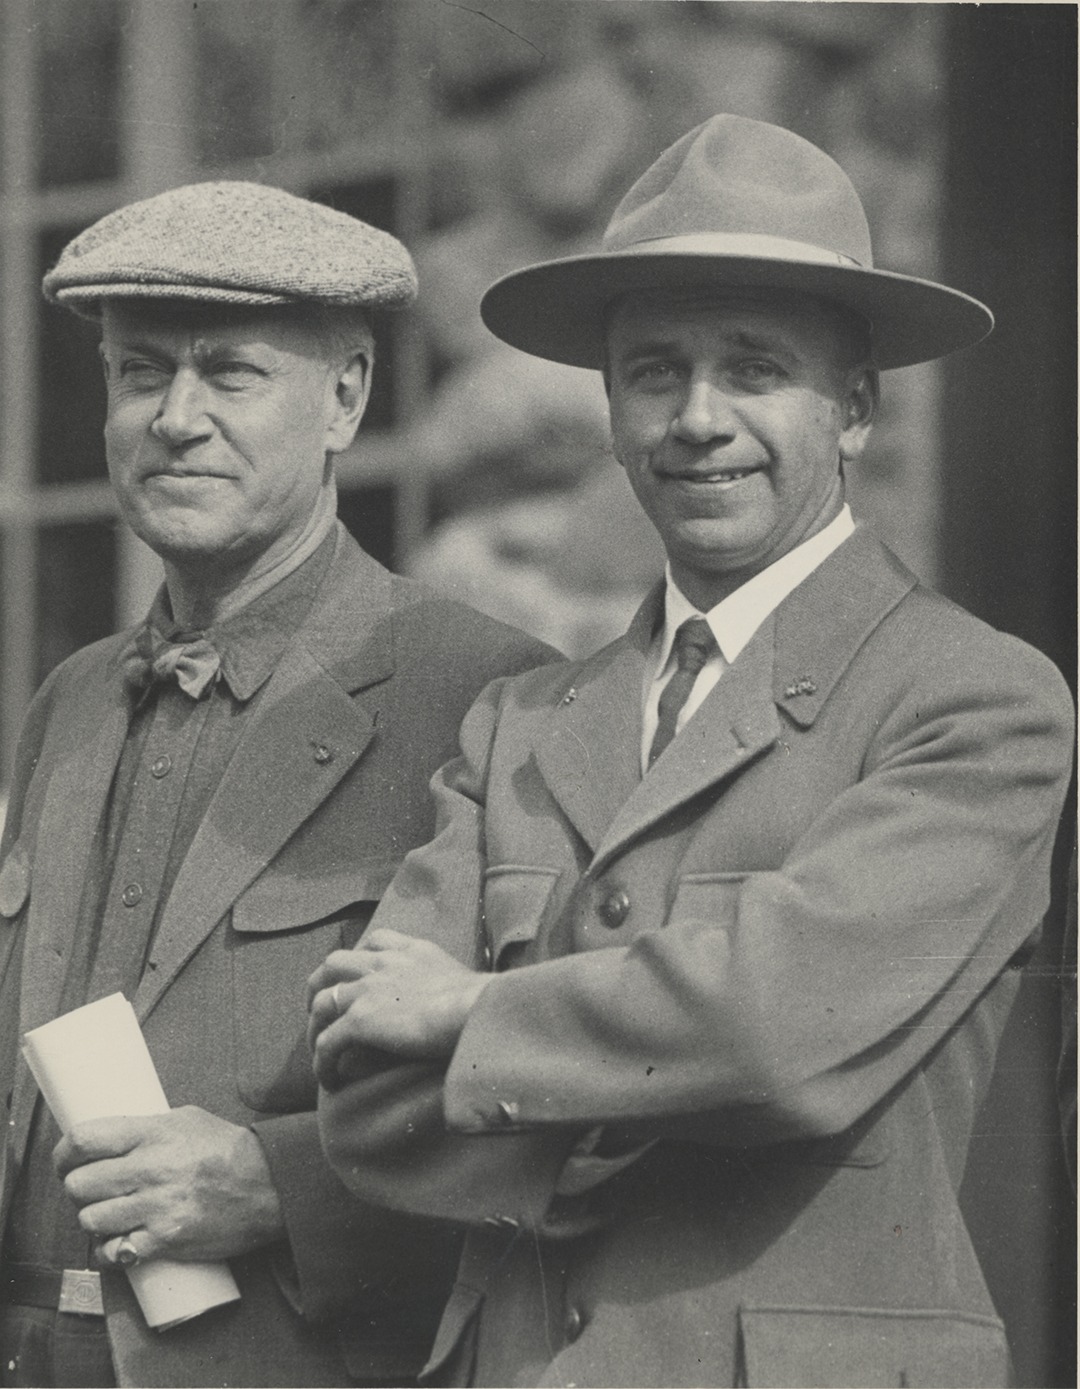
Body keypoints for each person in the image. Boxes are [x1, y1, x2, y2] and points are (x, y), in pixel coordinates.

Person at [308, 115, 1075, 1389]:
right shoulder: (524, 725)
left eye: (755, 369)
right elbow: (369, 1107)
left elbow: (780, 1030)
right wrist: (677, 1065)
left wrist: (477, 1017)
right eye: (655, 373)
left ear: (856, 409)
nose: (698, 420)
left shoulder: (974, 701)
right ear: (610, 409)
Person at [0, 181, 555, 1389]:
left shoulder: (487, 694)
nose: (176, 420)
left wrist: (284, 1188)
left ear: (345, 397)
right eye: (140, 373)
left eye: (231, 374)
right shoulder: (74, 699)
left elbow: (556, 1115)